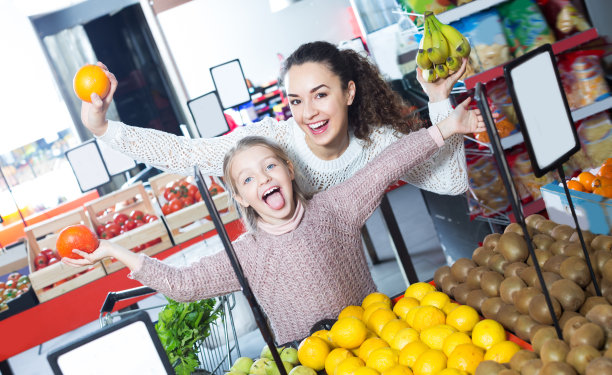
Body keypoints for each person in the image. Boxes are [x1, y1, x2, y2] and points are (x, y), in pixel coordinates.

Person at [64, 100, 486, 345]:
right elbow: (183, 284)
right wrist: (113, 250)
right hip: (311, 359)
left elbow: (385, 166)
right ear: (241, 197)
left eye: (269, 166)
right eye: (248, 179)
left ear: (287, 168)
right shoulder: (247, 254)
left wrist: (447, 126)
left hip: (379, 341)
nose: (262, 178)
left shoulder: (334, 208)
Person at [83, 41, 469, 196]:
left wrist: (438, 100)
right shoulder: (271, 141)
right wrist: (103, 127)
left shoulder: (378, 142)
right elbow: (190, 153)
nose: (309, 113)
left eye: (321, 95)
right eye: (296, 100)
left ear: (349, 92)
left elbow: (451, 184)